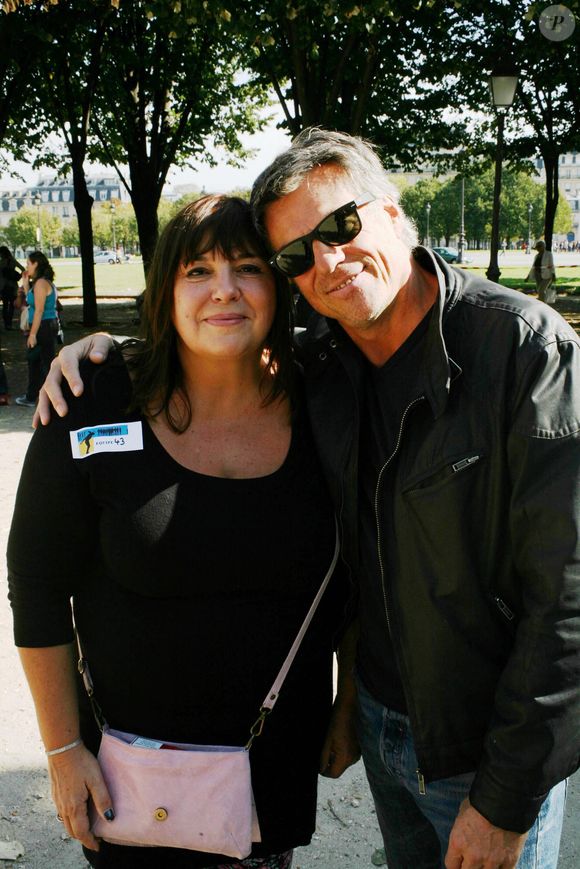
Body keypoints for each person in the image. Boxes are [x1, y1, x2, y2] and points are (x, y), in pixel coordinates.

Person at [36, 130, 580, 869]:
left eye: (341, 225)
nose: (327, 260)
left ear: (394, 212)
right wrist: (92, 350)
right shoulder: (328, 367)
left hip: (482, 749)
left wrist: (507, 797)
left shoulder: (523, 352)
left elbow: (569, 601)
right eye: (296, 255)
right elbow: (361, 558)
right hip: (380, 742)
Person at [8, 195, 359, 869]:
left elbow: (363, 567)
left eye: (248, 267)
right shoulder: (91, 397)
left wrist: (348, 704)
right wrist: (60, 748)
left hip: (270, 775)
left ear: (278, 286)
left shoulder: (328, 401)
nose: (223, 289)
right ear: (164, 290)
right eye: (197, 270)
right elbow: (37, 582)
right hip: (128, 780)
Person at [14, 250, 59, 408]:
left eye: (28, 263)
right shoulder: (41, 283)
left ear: (36, 264)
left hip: (43, 326)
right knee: (41, 361)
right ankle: (39, 395)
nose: (26, 266)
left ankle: (35, 396)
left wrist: (32, 334)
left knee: (38, 361)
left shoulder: (41, 283)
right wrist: (26, 287)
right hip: (47, 325)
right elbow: (34, 303)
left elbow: (39, 310)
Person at [0, 245, 23, 330]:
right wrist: (17, 277)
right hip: (13, 286)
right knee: (12, 306)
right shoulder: (13, 261)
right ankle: (9, 323)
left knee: (5, 306)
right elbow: (23, 269)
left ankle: (6, 324)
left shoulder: (1, 263)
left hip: (3, 286)